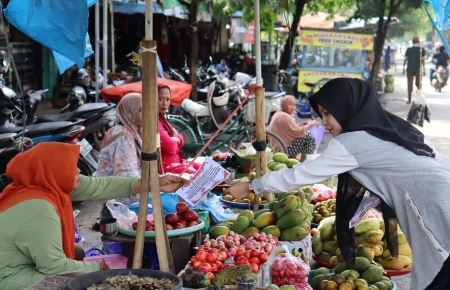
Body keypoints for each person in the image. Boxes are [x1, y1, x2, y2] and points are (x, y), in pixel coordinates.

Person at [226, 77, 450, 290]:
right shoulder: (385, 127)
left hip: (435, 205)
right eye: (321, 114)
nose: (323, 122)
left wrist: (250, 186)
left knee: (439, 269)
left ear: (346, 108)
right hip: (440, 192)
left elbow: (302, 174)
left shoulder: (352, 142)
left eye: (327, 113)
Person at [0, 142, 186, 290]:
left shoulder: (43, 186)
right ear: (54, 172)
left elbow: (101, 185)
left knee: (78, 251)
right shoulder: (38, 207)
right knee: (74, 278)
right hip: (8, 277)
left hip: (20, 263)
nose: (79, 171)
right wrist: (97, 269)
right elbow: (55, 268)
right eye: (71, 167)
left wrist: (154, 183)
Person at [93, 92, 143, 205]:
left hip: (113, 191)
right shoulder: (124, 136)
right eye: (140, 110)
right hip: (118, 196)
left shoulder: (128, 130)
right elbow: (126, 175)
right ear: (129, 112)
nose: (146, 114)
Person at [158, 84, 200, 174]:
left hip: (177, 163)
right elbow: (171, 148)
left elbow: (180, 140)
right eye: (160, 99)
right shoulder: (155, 122)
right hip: (167, 168)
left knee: (205, 168)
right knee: (200, 175)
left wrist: (175, 139)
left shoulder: (162, 119)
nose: (165, 104)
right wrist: (176, 139)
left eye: (167, 99)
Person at [268, 95, 321, 161]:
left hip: (277, 148)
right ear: (284, 104)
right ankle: (304, 161)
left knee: (304, 135)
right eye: (290, 104)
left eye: (294, 105)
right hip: (282, 150)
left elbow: (291, 130)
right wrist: (311, 124)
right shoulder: (284, 116)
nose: (293, 107)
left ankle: (294, 158)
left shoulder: (279, 113)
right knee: (309, 136)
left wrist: (302, 125)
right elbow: (298, 132)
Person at [402, 36, 426, 104]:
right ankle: (418, 99)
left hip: (409, 69)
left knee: (410, 84)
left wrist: (403, 69)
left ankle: (409, 100)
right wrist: (424, 70)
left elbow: (405, 60)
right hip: (418, 69)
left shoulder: (409, 49)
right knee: (418, 84)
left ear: (412, 42)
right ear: (418, 42)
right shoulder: (422, 50)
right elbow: (423, 61)